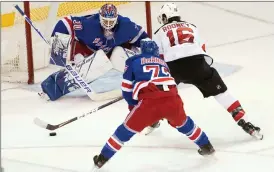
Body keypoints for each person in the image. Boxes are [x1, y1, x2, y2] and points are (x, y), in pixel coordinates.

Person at [93, 38, 215, 169]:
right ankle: (206, 145)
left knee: (124, 131)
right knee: (185, 124)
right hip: (173, 98)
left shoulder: (132, 61)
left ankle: (102, 158)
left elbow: (127, 90)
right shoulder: (163, 63)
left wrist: (133, 105)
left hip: (149, 103)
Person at [151, 3, 263, 139]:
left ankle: (153, 120)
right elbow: (202, 48)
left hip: (174, 68)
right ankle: (243, 120)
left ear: (164, 17)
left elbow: (158, 58)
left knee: (160, 93)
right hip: (197, 64)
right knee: (221, 92)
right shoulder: (192, 27)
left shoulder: (159, 32)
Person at [38, 3, 149, 101]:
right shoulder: (89, 25)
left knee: (118, 54)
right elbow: (65, 23)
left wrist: (152, 57)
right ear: (100, 18)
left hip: (109, 54)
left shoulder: (126, 25)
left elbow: (144, 38)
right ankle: (50, 89)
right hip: (86, 51)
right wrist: (57, 42)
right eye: (105, 21)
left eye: (111, 22)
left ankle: (142, 79)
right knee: (83, 60)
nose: (108, 25)